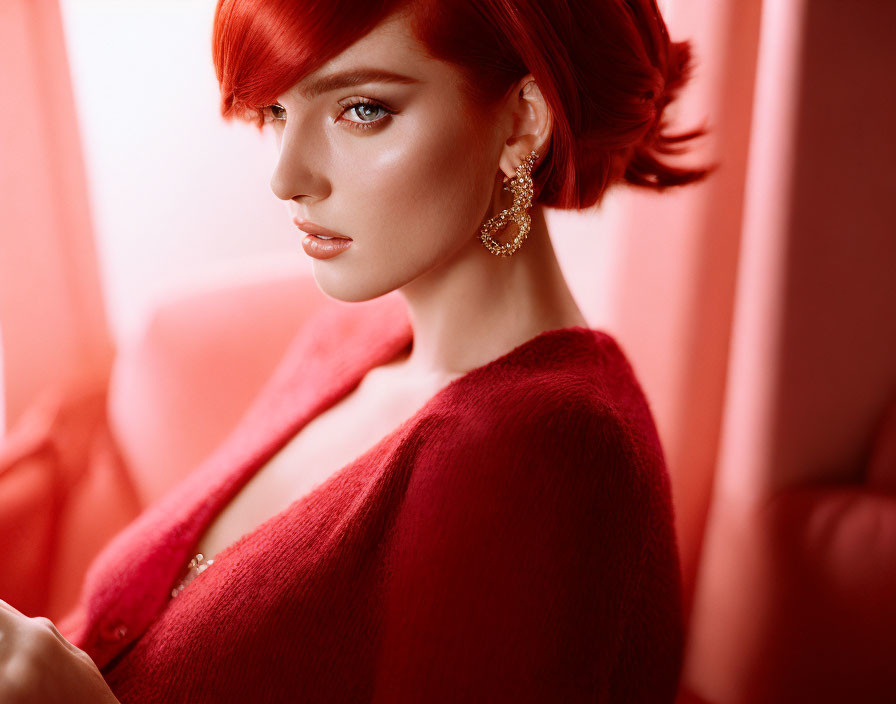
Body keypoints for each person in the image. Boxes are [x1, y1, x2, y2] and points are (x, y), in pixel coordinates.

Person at [0, 0, 713, 701]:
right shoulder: (349, 342)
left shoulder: (546, 450)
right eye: (277, 110)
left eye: (362, 109)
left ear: (524, 120)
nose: (287, 177)